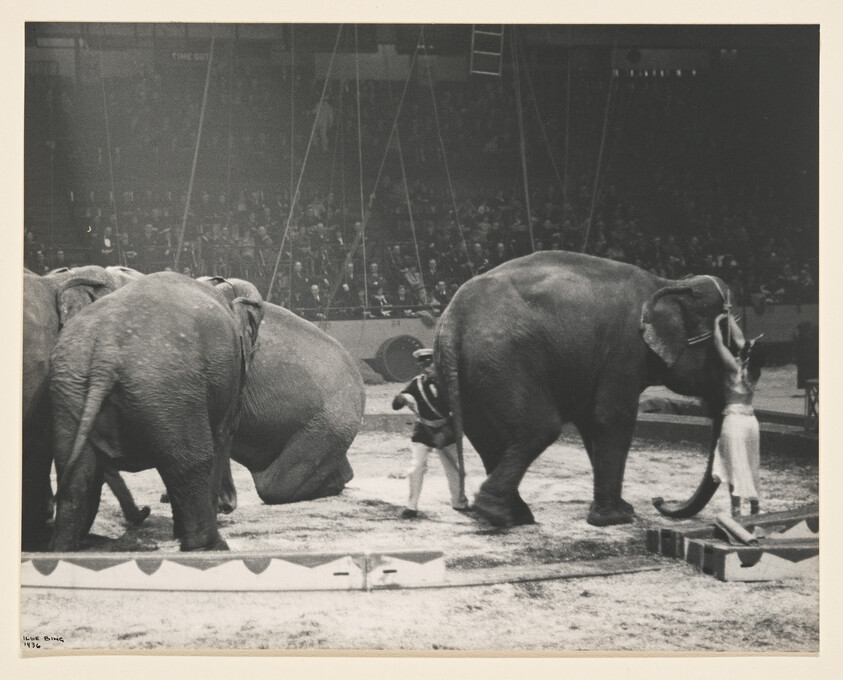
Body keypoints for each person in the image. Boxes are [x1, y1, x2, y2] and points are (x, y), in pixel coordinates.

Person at [392, 348, 470, 519]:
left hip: (446, 431)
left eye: (429, 363)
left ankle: (459, 503)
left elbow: (460, 410)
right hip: (424, 432)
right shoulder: (417, 383)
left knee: (454, 469)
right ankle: (411, 507)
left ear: (437, 364)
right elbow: (401, 400)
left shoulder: (450, 384)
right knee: (416, 467)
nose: (426, 367)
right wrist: (401, 399)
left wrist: (449, 431)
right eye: (422, 364)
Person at [711, 313, 765, 518]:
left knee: (734, 464)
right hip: (750, 421)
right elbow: (741, 339)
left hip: (734, 421)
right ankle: (755, 507)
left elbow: (718, 344)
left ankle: (736, 509)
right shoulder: (753, 370)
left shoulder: (734, 368)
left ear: (746, 353)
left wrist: (717, 322)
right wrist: (730, 320)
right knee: (751, 464)